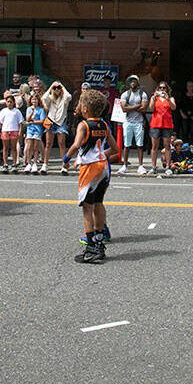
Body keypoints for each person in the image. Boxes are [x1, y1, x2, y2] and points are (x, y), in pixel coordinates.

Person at [65, 89, 117, 264]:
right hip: (103, 167)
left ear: (85, 108)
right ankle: (99, 243)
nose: (78, 106)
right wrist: (101, 154)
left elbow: (77, 144)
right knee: (99, 203)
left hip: (90, 169)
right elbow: (116, 149)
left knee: (87, 207)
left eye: (80, 103)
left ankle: (91, 247)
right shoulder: (104, 125)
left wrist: (65, 159)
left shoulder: (83, 125)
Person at [118, 74, 149, 174]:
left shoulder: (142, 94)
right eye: (131, 81)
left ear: (137, 82)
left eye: (134, 80)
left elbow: (144, 109)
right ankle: (125, 166)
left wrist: (130, 107)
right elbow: (123, 108)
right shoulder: (125, 94)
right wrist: (137, 106)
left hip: (139, 122)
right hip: (128, 122)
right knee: (127, 145)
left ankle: (140, 166)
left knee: (140, 145)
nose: (132, 82)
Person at [42, 81, 73, 174]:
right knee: (48, 143)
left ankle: (64, 165)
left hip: (61, 121)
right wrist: (51, 86)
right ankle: (45, 164)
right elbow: (44, 97)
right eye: (55, 88)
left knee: (61, 143)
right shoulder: (50, 98)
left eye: (58, 88)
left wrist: (61, 85)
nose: (56, 89)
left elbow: (69, 96)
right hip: (50, 120)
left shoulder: (64, 99)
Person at [148, 82, 176, 176]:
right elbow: (151, 108)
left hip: (167, 124)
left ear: (167, 89)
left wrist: (167, 99)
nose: (162, 90)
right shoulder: (155, 98)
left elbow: (173, 107)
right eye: (160, 88)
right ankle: (153, 166)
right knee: (154, 146)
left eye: (164, 88)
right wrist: (153, 97)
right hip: (156, 123)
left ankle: (168, 167)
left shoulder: (170, 98)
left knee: (167, 146)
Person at [0, 94, 23, 170]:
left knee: (13, 148)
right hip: (5, 130)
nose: (9, 103)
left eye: (11, 102)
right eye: (8, 102)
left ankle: (14, 163)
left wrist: (20, 132)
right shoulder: (3, 111)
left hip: (14, 130)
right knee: (5, 148)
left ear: (14, 102)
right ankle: (5, 163)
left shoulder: (17, 111)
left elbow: (20, 122)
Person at [22, 92, 47, 173]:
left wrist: (33, 122)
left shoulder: (41, 110)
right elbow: (27, 119)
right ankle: (28, 163)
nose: (34, 101)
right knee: (29, 147)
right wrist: (32, 113)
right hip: (30, 129)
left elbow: (42, 121)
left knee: (36, 147)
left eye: (35, 99)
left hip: (37, 130)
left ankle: (35, 163)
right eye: (32, 99)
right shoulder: (29, 109)